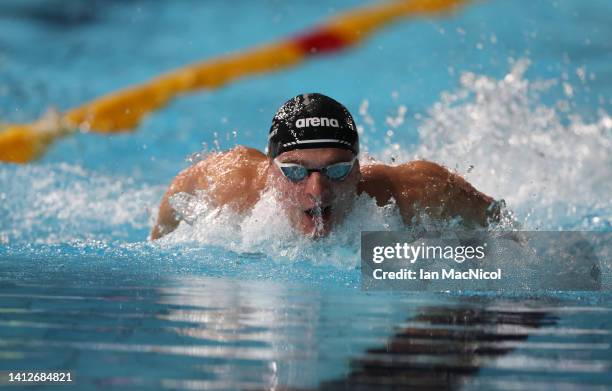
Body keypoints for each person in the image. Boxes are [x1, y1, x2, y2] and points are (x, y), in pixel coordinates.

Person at [151, 93, 499, 240]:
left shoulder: (416, 193)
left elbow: (509, 234)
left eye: (336, 170)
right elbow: (167, 220)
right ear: (271, 170)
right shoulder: (230, 184)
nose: (317, 192)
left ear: (360, 169)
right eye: (295, 172)